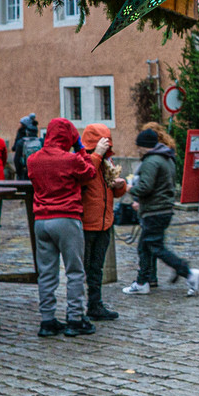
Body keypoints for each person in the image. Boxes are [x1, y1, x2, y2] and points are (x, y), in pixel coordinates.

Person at [27, 117, 100, 337]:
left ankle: (47, 321)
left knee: (46, 273)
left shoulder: (33, 160)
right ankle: (75, 319)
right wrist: (80, 148)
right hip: (67, 218)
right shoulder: (70, 159)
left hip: (41, 220)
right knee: (75, 271)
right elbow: (89, 173)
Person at [122, 126, 199, 296]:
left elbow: (145, 187)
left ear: (144, 146)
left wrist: (129, 188)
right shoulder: (166, 158)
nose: (138, 150)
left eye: (139, 146)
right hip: (162, 209)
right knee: (144, 247)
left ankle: (187, 272)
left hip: (154, 211)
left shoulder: (152, 160)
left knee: (156, 247)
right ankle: (142, 282)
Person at [80, 123, 127, 322]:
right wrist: (97, 156)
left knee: (97, 268)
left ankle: (95, 305)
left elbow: (114, 192)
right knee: (82, 268)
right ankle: (76, 309)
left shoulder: (106, 162)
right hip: (86, 225)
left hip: (104, 223)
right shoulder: (85, 160)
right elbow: (83, 177)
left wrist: (120, 185)